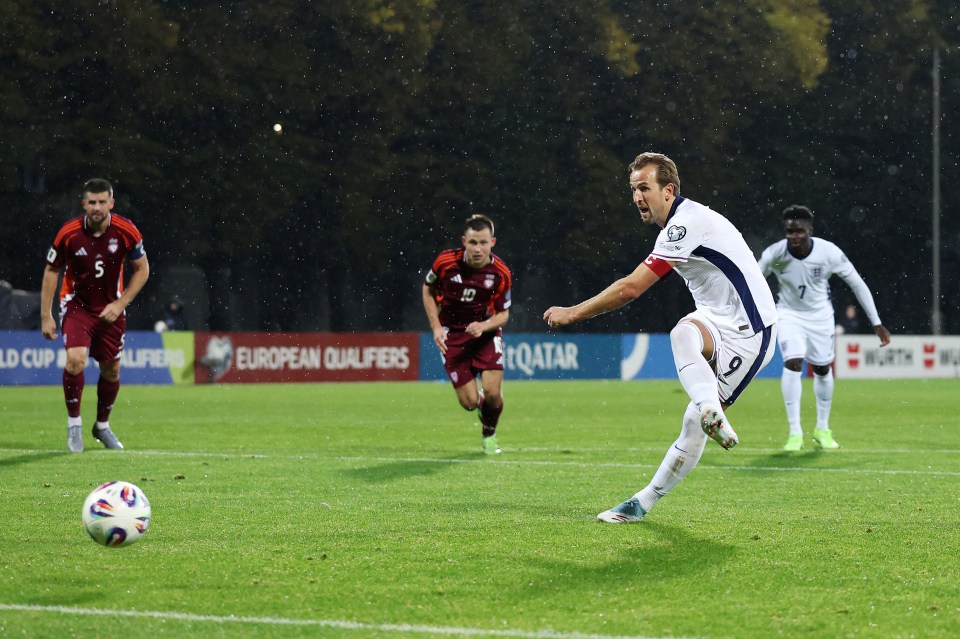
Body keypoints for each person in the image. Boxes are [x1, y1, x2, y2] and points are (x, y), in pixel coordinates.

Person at [543, 152, 777, 523]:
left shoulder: (685, 224)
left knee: (691, 423)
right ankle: (707, 409)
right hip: (716, 320)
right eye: (633, 189)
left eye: (644, 188)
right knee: (682, 333)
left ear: (668, 190)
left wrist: (573, 312)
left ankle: (646, 498)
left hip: (752, 332)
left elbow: (632, 288)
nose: (637, 197)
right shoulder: (682, 222)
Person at [758, 204, 891, 452]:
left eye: (799, 231)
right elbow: (753, 280)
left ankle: (822, 428)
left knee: (821, 368)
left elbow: (857, 284)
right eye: (790, 232)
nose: (794, 237)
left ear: (810, 229)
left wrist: (876, 322)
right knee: (793, 362)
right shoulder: (775, 254)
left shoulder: (829, 253)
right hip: (789, 314)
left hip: (820, 318)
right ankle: (795, 432)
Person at [40, 178, 150, 452]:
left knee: (111, 370)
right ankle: (74, 424)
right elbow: (52, 270)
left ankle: (101, 426)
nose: (97, 207)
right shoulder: (68, 233)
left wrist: (122, 303)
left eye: (102, 201)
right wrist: (46, 315)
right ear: (84, 204)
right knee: (75, 361)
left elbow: (143, 269)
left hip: (112, 309)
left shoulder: (126, 231)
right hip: (78, 306)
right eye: (92, 202)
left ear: (112, 203)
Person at [422, 214, 513, 454]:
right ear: (464, 241)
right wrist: (435, 327)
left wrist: (483, 326)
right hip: (452, 336)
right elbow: (427, 289)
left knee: (493, 392)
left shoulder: (500, 273)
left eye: (483, 242)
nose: (477, 248)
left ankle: (489, 434)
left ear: (492, 242)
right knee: (470, 403)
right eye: (473, 242)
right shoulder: (445, 262)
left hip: (485, 334)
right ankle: (482, 407)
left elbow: (503, 315)